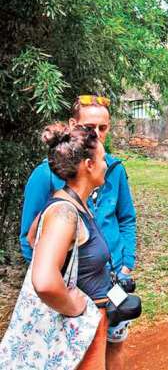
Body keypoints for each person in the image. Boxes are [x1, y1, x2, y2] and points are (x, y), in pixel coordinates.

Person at [19, 95, 136, 366]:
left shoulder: (109, 174)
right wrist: (69, 298)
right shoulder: (59, 200)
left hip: (110, 283)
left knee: (112, 348)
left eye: (103, 128)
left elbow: (126, 218)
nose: (97, 134)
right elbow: (31, 241)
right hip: (78, 300)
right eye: (90, 127)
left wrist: (126, 264)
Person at [33, 124, 112, 369]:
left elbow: (31, 237)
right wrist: (75, 306)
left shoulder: (69, 202)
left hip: (90, 325)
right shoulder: (64, 212)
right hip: (80, 330)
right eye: (102, 158)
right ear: (89, 164)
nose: (106, 164)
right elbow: (44, 280)